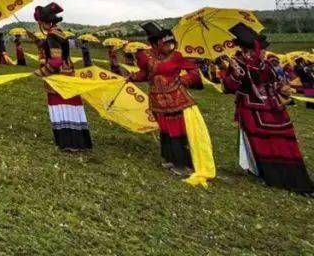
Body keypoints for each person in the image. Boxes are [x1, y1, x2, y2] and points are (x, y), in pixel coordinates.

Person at [223, 24, 313, 194]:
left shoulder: (263, 63)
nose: (264, 52)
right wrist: (236, 74)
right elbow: (229, 86)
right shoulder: (238, 63)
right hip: (252, 108)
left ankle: (293, 173)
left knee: (285, 139)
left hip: (273, 107)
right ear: (250, 49)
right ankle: (270, 174)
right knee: (262, 142)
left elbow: (271, 79)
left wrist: (283, 87)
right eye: (261, 49)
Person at [127, 23, 205, 178]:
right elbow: (145, 74)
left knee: (177, 131)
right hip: (157, 100)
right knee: (165, 130)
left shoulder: (177, 56)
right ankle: (169, 159)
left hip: (176, 99)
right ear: (156, 44)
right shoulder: (146, 57)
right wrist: (132, 77)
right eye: (166, 43)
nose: (170, 46)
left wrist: (185, 79)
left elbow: (194, 71)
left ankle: (182, 165)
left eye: (171, 43)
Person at [33, 2, 92, 153]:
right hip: (68, 73)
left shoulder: (52, 35)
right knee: (71, 106)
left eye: (39, 22)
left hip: (58, 77)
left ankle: (68, 142)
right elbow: (58, 51)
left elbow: (56, 60)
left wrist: (41, 72)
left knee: (61, 106)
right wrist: (41, 43)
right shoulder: (58, 33)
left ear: (44, 22)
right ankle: (79, 142)